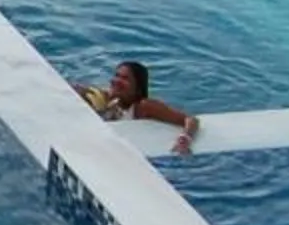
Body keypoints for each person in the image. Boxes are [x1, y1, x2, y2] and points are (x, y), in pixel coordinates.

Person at [72, 60, 202, 154]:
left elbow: (191, 120)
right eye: (116, 75)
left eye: (125, 78)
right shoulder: (112, 100)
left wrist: (184, 140)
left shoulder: (144, 106)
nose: (116, 81)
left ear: (138, 87)